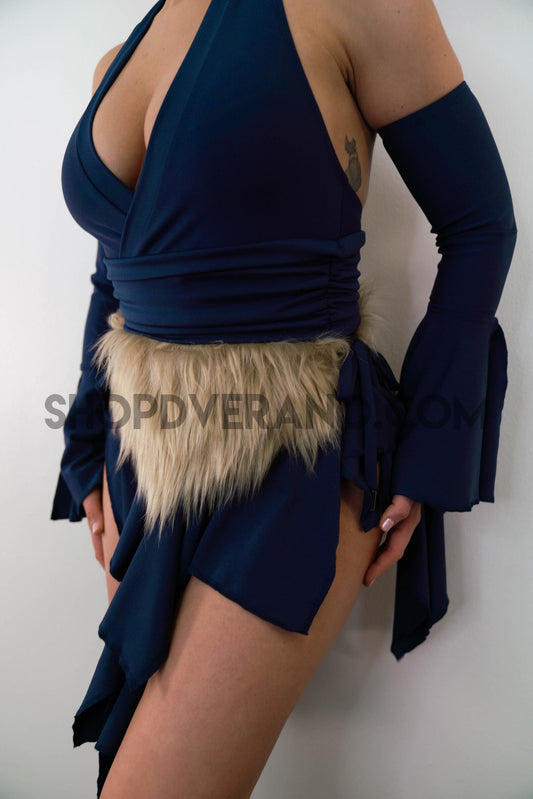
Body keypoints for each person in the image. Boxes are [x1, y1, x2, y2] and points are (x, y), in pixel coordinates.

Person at [49, 0, 517, 796]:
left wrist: (430, 455)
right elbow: (114, 277)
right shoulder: (117, 59)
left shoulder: (363, 8)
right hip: (141, 461)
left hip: (296, 461)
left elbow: (479, 225)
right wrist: (88, 439)